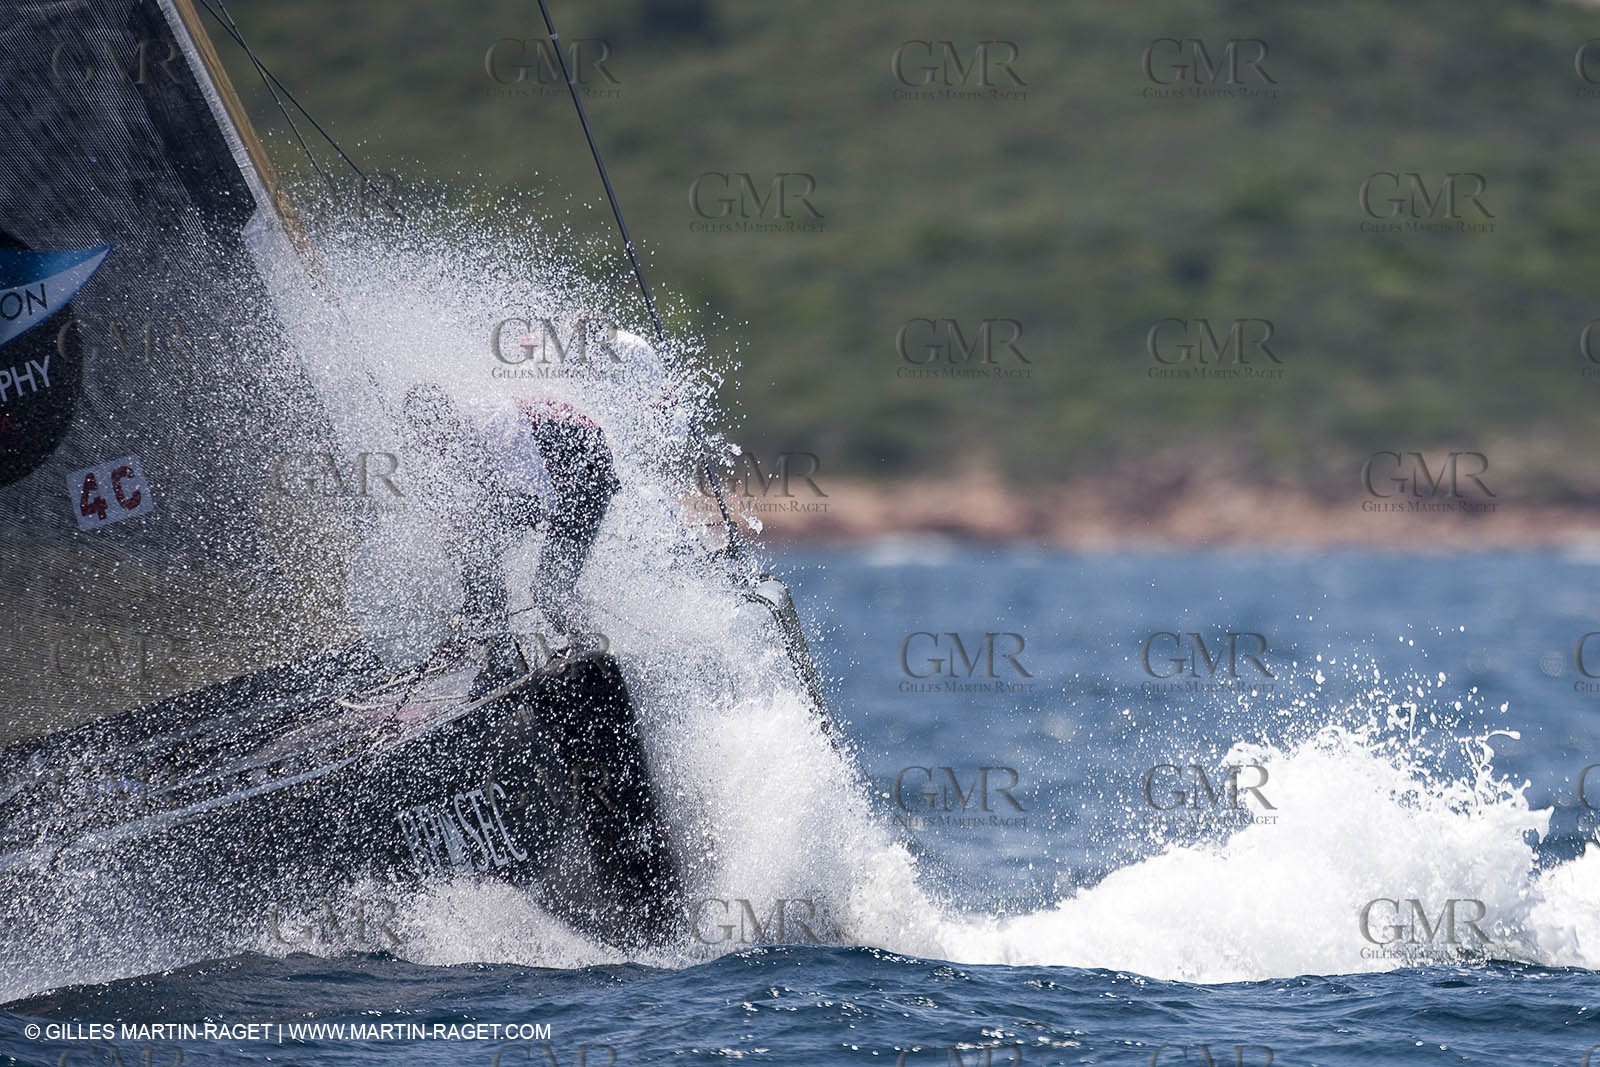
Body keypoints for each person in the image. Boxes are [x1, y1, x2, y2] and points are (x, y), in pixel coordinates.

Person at [398, 383, 620, 695]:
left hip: (588, 469)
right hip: (570, 471)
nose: (428, 445)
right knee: (484, 550)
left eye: (427, 432)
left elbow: (537, 498)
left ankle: (520, 656)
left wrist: (480, 573)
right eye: (419, 437)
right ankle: (518, 647)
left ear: (443, 418)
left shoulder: (490, 424)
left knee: (549, 589)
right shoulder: (465, 441)